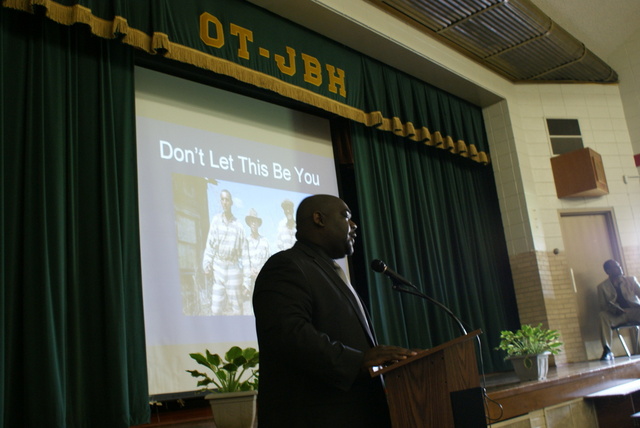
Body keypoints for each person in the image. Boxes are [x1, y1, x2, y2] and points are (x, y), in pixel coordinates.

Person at [253, 194, 416, 427]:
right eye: (346, 216)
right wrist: (360, 360)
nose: (354, 224)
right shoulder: (287, 266)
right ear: (319, 219)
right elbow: (289, 335)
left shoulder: (330, 272)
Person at [201, 189, 247, 315]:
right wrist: (207, 264)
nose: (225, 202)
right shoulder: (216, 221)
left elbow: (244, 255)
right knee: (215, 309)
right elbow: (210, 246)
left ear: (231, 202)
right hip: (219, 267)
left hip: (233, 267)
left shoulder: (238, 225)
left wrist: (247, 281)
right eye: (222, 199)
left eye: (227, 200)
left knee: (237, 310)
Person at [597, 259, 640, 361]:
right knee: (602, 315)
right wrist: (614, 309)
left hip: (634, 311)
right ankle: (607, 350)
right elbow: (603, 306)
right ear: (608, 271)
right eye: (615, 267)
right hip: (618, 315)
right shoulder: (602, 287)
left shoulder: (631, 280)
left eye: (619, 266)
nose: (619, 268)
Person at [242, 208, 270, 315]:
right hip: (251, 281)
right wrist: (247, 281)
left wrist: (262, 272)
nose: (253, 224)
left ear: (258, 223)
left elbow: (268, 260)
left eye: (255, 221)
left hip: (263, 279)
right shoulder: (246, 241)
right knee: (251, 311)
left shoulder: (265, 241)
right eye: (251, 221)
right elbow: (245, 263)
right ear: (249, 224)